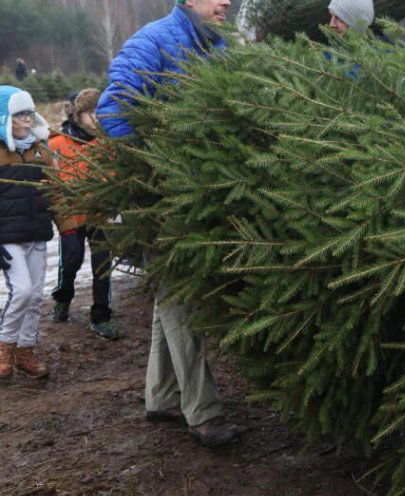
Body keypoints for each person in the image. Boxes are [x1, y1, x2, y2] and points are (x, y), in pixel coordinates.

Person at [97, 0, 239, 447]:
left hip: (198, 198)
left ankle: (160, 397)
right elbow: (112, 108)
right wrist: (159, 168)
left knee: (168, 297)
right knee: (182, 297)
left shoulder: (216, 47)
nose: (226, 2)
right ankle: (204, 411)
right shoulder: (153, 40)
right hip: (162, 201)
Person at [48, 88, 117, 341]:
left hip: (101, 213)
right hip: (71, 214)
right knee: (71, 260)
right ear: (78, 115)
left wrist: (113, 207)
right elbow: (50, 179)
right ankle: (63, 298)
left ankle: (102, 316)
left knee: (102, 265)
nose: (97, 118)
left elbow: (115, 176)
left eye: (100, 112)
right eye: (91, 113)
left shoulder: (108, 142)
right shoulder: (57, 143)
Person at [0, 86, 54, 380]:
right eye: (20, 114)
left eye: (29, 113)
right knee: (20, 290)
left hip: (37, 234)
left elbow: (57, 193)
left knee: (34, 296)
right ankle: (5, 346)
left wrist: (69, 226)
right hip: (8, 238)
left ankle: (26, 350)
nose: (27, 119)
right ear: (6, 118)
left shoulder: (40, 152)